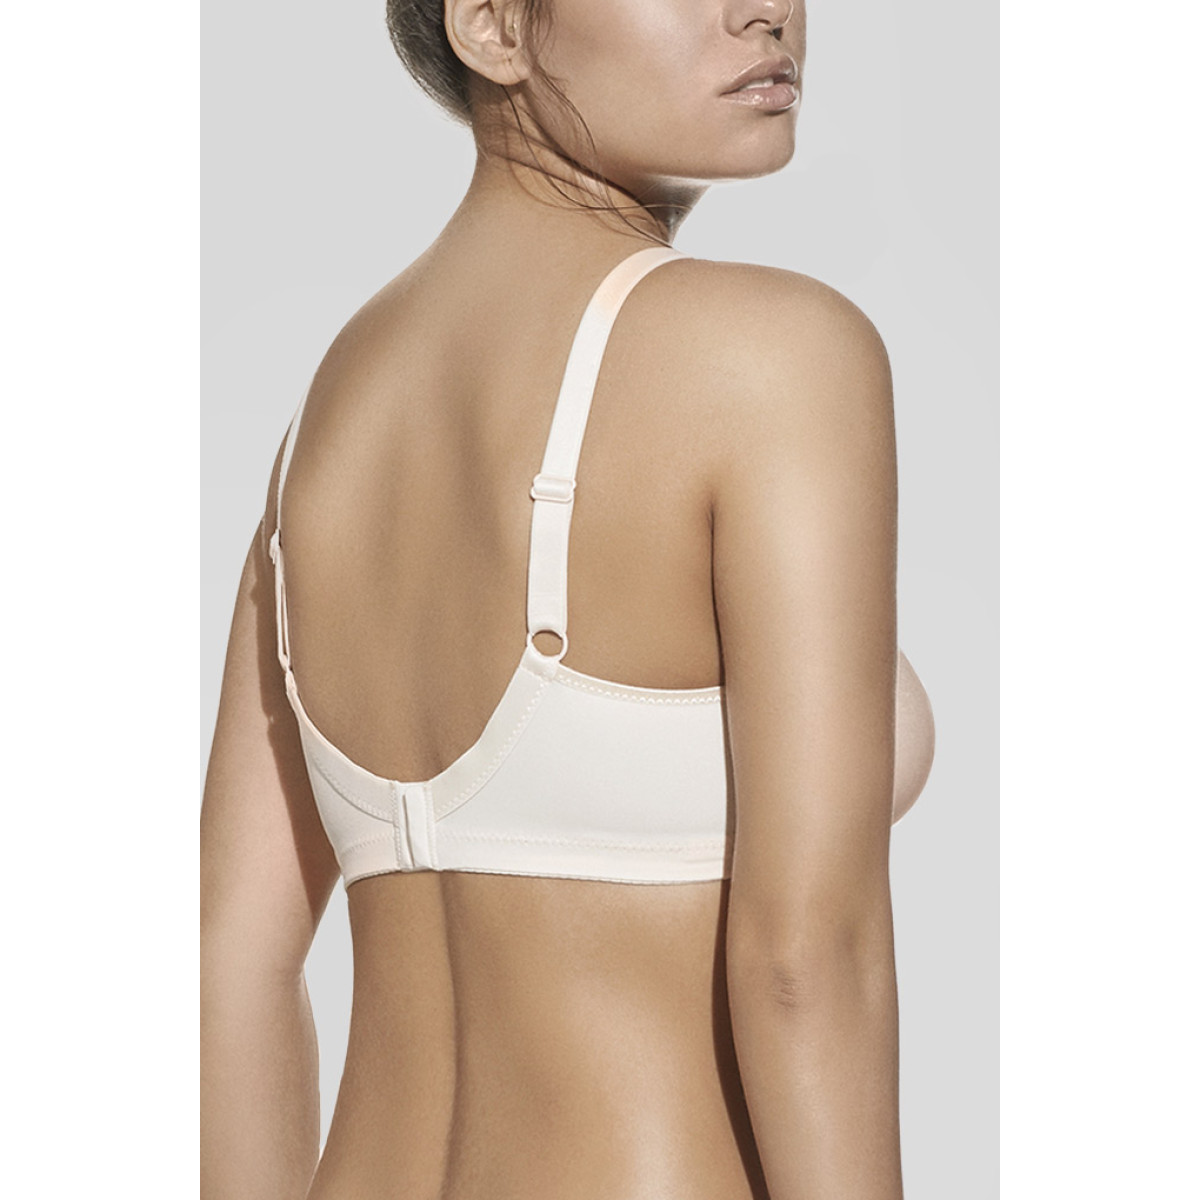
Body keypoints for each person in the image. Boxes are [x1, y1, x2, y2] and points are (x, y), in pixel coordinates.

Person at [200, 0, 937, 1196]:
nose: (765, 11)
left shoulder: (329, 424)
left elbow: (227, 962)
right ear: (492, 26)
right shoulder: (773, 356)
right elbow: (807, 964)